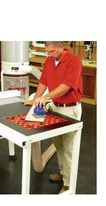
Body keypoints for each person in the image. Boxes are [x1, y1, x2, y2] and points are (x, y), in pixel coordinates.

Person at [24, 41, 83, 193]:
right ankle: (63, 173)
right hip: (55, 107)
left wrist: (46, 97)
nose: (49, 55)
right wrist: (35, 98)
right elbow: (43, 82)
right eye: (47, 52)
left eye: (51, 51)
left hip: (70, 109)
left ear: (60, 47)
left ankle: (69, 183)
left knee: (68, 147)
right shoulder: (49, 60)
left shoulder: (74, 61)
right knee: (58, 144)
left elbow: (67, 85)